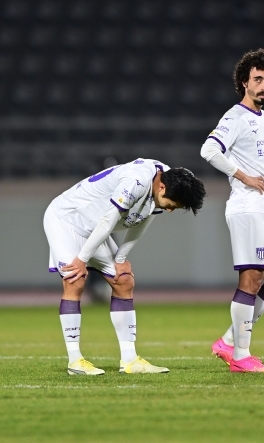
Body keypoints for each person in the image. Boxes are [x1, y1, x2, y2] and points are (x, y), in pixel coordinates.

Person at [44, 159, 205, 375]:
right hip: (66, 220)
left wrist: (121, 259)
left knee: (124, 280)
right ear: (162, 187)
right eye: (171, 205)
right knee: (75, 279)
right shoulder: (136, 180)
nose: (169, 211)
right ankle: (75, 361)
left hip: (94, 227)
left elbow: (144, 219)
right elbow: (109, 220)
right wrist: (82, 259)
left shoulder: (169, 178)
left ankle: (130, 360)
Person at [200, 48, 264, 373]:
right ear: (244, 82)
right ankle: (240, 356)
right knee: (251, 279)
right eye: (257, 79)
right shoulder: (236, 117)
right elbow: (208, 149)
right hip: (248, 207)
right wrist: (243, 175)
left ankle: (228, 341)